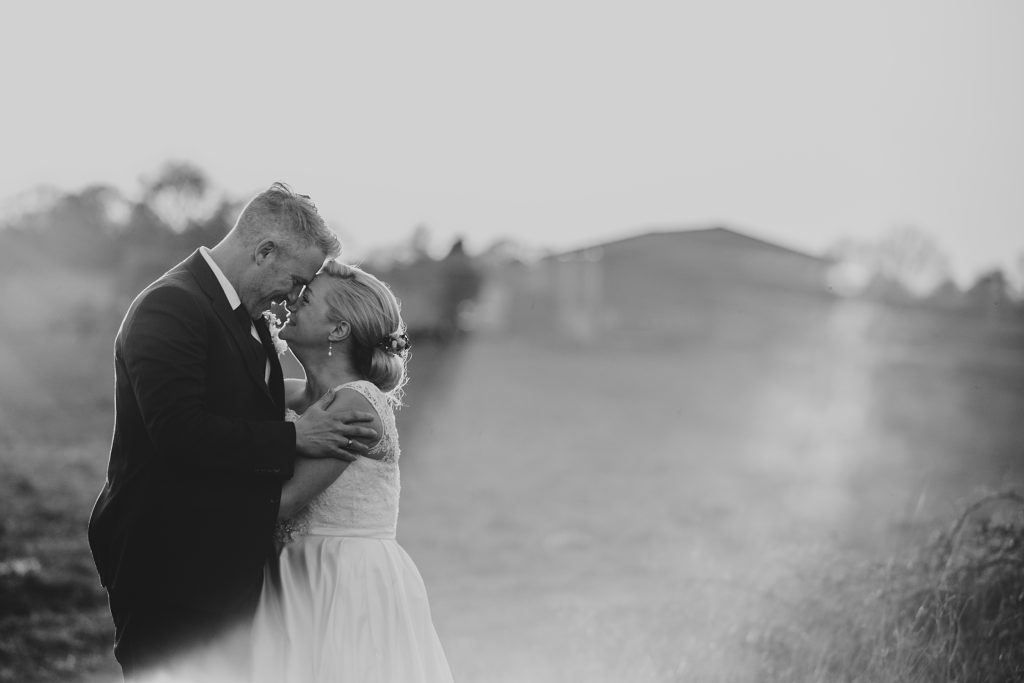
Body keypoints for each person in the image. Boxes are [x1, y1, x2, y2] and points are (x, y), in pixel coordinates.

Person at [87, 183, 379, 682]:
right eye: (295, 280)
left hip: (223, 570)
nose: (293, 296)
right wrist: (296, 438)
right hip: (167, 565)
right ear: (264, 251)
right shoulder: (171, 306)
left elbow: (252, 399)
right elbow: (179, 433)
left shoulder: (250, 317)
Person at [250, 260, 454, 682]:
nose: (290, 301)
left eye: (304, 298)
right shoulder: (289, 396)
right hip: (294, 574)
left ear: (337, 330)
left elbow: (284, 503)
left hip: (344, 579)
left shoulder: (356, 403)